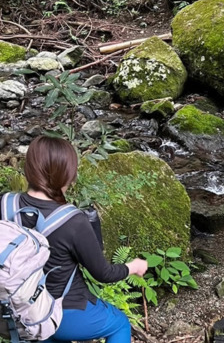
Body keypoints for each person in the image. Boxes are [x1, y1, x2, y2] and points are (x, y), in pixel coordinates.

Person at [0, 136, 148, 343]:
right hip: (65, 314)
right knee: (120, 324)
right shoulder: (73, 221)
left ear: (30, 168)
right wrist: (133, 266)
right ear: (68, 174)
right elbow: (103, 274)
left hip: (18, 314)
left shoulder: (5, 204)